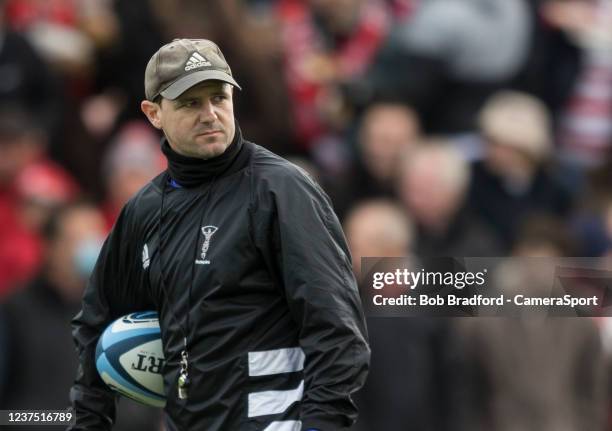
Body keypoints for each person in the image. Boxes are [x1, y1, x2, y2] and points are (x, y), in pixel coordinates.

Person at [69, 38, 370, 431]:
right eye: (190, 103)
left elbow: (338, 333)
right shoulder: (142, 211)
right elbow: (96, 324)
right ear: (153, 113)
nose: (210, 114)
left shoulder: (281, 190)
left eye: (219, 98)